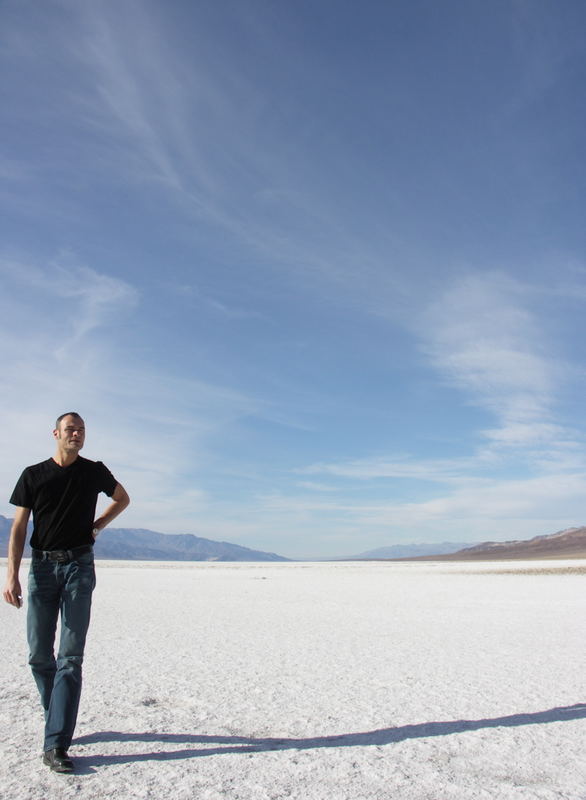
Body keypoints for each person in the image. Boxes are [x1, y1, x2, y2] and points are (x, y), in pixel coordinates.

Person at [3, 412, 130, 773]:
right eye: (70, 429)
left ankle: (56, 742)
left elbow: (122, 498)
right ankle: (55, 714)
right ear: (56, 433)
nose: (76, 434)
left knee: (70, 656)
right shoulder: (33, 475)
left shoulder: (94, 471)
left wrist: (98, 526)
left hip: (78, 567)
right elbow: (18, 528)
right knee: (39, 655)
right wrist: (11, 574)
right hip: (42, 568)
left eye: (81, 430)